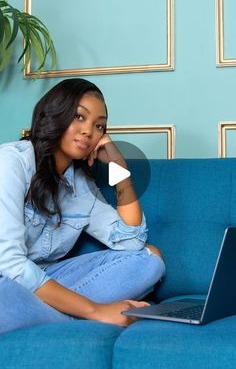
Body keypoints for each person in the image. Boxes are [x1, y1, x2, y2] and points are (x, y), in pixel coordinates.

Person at [0, 78, 165, 333]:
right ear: (56, 113)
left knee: (150, 259)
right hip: (7, 281)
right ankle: (77, 317)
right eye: (79, 117)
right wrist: (96, 310)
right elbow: (10, 265)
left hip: (44, 281)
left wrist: (119, 168)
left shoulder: (81, 187)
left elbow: (131, 242)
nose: (89, 131)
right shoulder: (12, 162)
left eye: (99, 125)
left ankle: (53, 316)